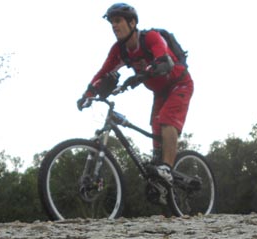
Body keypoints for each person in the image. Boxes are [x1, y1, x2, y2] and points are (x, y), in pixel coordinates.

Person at [77, 3, 193, 187]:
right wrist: (88, 93)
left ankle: (167, 169)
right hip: (160, 92)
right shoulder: (119, 50)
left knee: (166, 119)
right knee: (155, 126)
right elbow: (103, 72)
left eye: (118, 21)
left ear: (132, 23)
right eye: (111, 23)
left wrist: (143, 73)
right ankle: (159, 171)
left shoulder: (151, 38)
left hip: (179, 83)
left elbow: (164, 60)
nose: (114, 26)